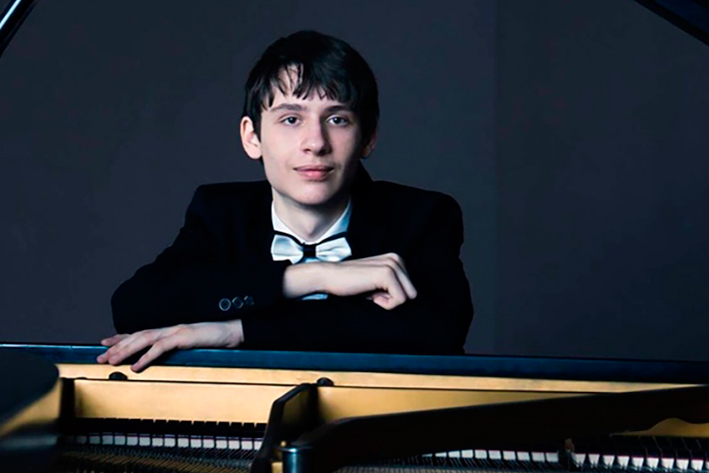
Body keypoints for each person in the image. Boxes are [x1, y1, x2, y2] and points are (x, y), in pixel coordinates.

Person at [97, 30, 474, 372]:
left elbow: (437, 331)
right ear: (252, 138)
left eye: (337, 119)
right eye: (291, 119)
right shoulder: (222, 213)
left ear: (368, 138)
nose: (316, 143)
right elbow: (136, 306)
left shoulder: (422, 217)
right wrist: (313, 277)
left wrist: (236, 331)